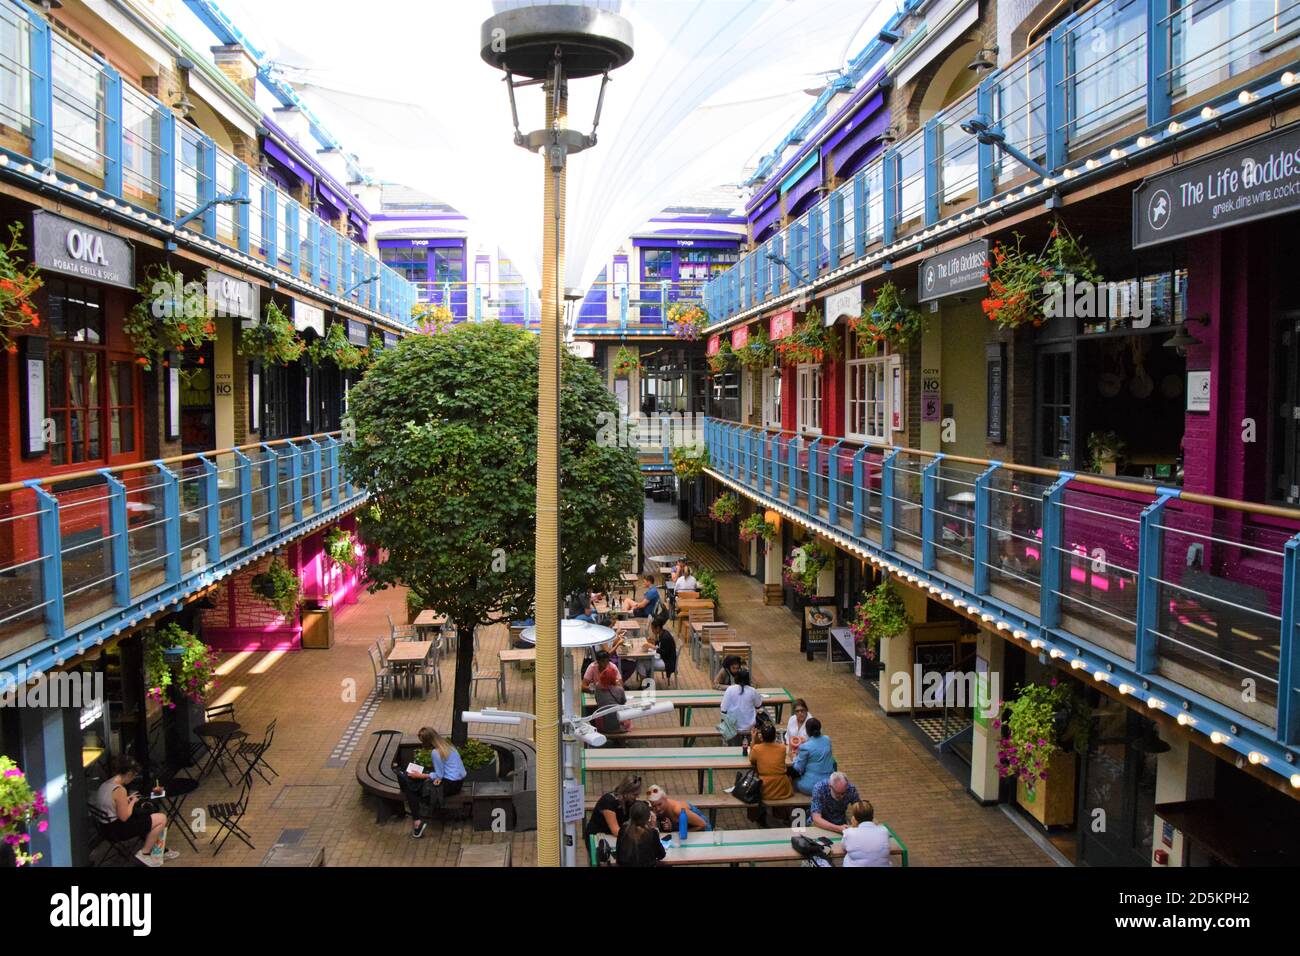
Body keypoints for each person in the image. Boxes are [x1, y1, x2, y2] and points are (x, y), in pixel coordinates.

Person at [94, 755, 175, 867]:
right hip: (117, 830)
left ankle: (159, 851)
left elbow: (111, 803)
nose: (132, 779)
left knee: (146, 816)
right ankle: (145, 853)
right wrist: (132, 802)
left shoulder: (106, 784)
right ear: (128, 774)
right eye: (133, 776)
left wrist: (126, 800)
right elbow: (124, 817)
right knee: (161, 818)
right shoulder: (119, 790)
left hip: (104, 828)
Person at [400, 727, 467, 838]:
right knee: (413, 787)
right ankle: (417, 821)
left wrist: (419, 775)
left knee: (411, 790)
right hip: (458, 782)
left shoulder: (436, 752)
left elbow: (439, 775)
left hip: (449, 785)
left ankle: (417, 822)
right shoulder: (447, 746)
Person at [746, 721, 794, 826]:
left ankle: (761, 818)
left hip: (766, 789)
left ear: (762, 736)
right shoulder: (782, 748)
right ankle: (781, 817)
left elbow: (752, 759)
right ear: (774, 736)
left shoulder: (757, 749)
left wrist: (754, 739)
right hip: (782, 788)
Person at [584, 775, 641, 841]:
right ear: (626, 792)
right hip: (597, 836)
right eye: (635, 795)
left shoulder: (629, 801)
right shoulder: (609, 801)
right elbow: (615, 831)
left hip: (612, 834)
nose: (637, 797)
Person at [615, 800, 666, 867]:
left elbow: (618, 858)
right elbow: (661, 855)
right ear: (648, 817)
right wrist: (654, 827)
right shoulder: (652, 833)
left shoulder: (623, 830)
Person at [791, 717, 835, 795]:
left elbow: (798, 768)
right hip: (829, 784)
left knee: (792, 781)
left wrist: (794, 757)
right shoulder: (827, 740)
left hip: (811, 786)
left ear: (807, 731)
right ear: (820, 728)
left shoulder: (805, 747)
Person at [842, 800, 893, 867]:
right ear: (872, 816)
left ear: (854, 818)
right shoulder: (884, 830)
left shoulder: (848, 833)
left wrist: (853, 827)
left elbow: (844, 847)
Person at [720, 669, 763, 746]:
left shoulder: (730, 689)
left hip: (733, 727)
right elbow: (758, 705)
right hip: (749, 726)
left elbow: (723, 709)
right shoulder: (752, 691)